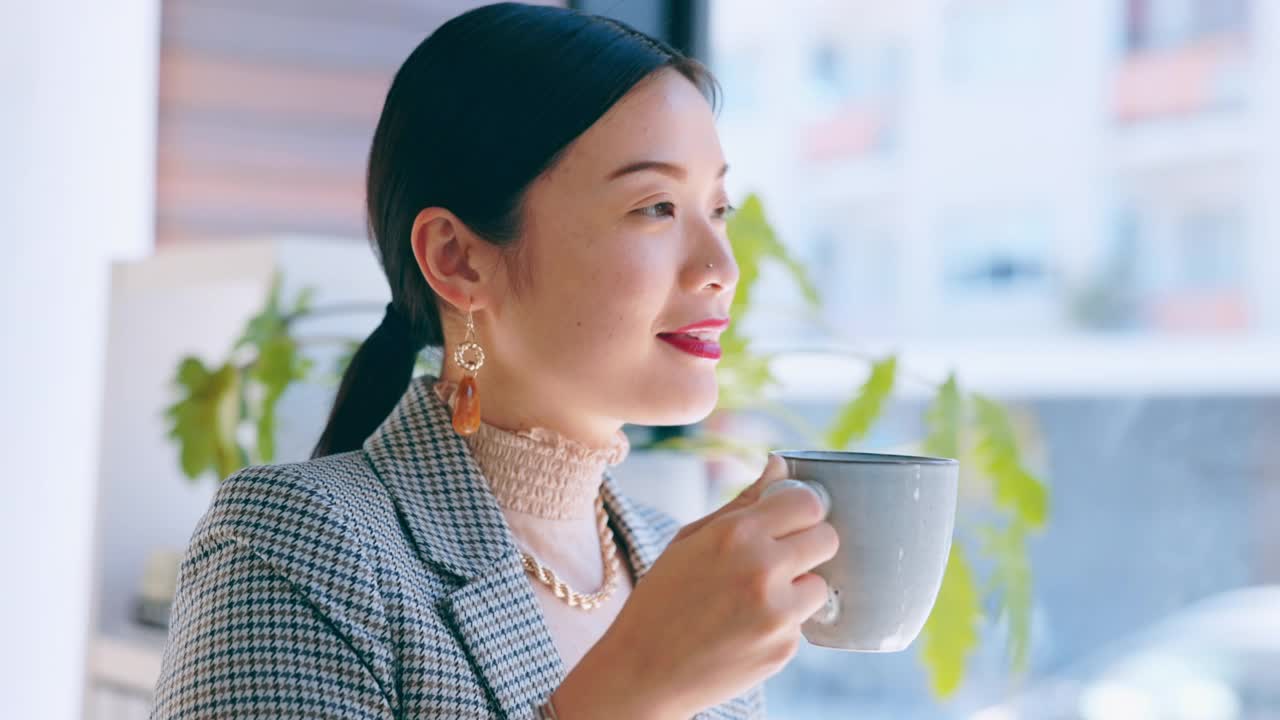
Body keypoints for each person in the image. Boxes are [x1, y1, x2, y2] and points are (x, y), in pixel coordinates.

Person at [151, 3, 837, 718]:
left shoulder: (689, 571)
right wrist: (628, 694)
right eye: (655, 207)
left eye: (717, 210)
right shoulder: (292, 544)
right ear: (458, 260)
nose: (719, 266)